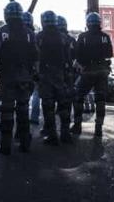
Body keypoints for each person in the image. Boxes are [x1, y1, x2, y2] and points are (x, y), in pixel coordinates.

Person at [0, 1, 38, 154]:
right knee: (23, 110)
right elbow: (35, 56)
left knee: (6, 112)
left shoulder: (1, 32)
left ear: (6, 14)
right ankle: (25, 143)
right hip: (24, 78)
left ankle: (5, 145)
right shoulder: (29, 33)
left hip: (6, 78)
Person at [71, 12, 113, 137]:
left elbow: (77, 54)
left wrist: (82, 64)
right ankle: (98, 128)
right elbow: (109, 53)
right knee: (100, 100)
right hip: (102, 71)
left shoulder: (83, 36)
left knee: (78, 96)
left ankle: (77, 125)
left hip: (88, 70)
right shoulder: (105, 37)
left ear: (88, 23)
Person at [36, 11, 73, 145]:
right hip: (61, 75)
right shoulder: (64, 37)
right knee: (63, 106)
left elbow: (36, 57)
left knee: (48, 107)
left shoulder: (39, 37)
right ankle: (65, 133)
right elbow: (69, 59)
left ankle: (52, 136)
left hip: (45, 76)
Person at [24, 12, 42, 126]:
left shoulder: (13, 32)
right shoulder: (34, 35)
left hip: (20, 69)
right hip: (33, 69)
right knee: (35, 93)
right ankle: (34, 117)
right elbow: (38, 54)